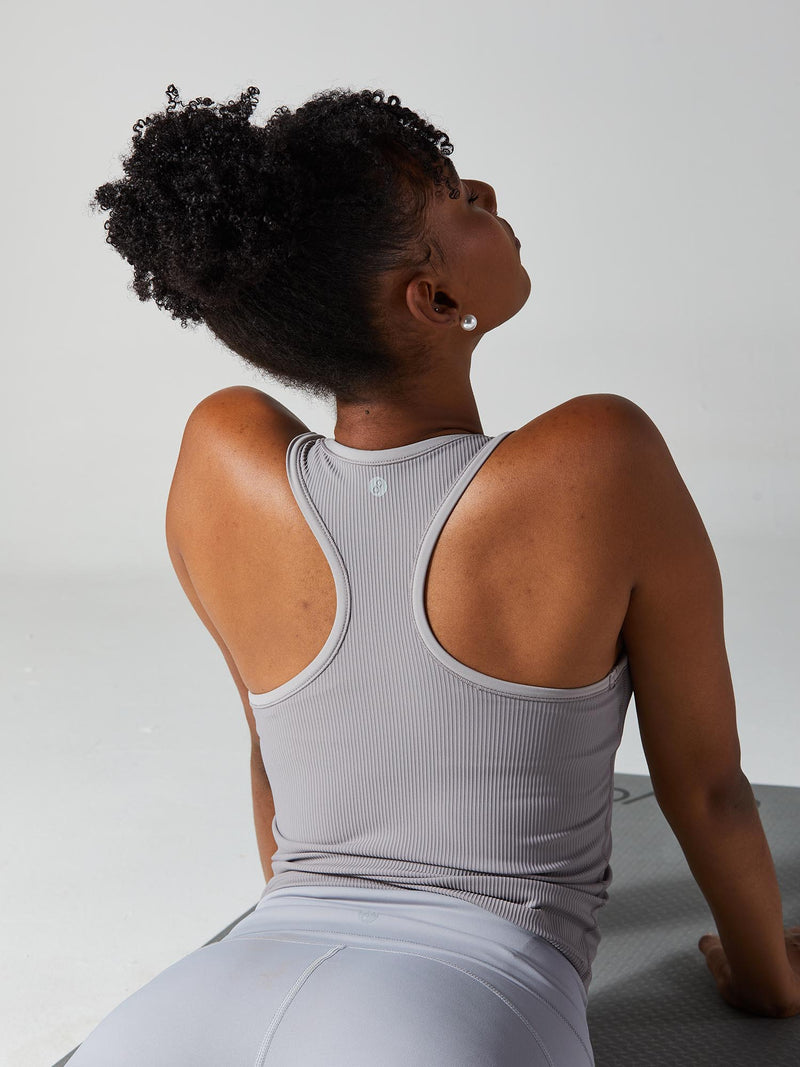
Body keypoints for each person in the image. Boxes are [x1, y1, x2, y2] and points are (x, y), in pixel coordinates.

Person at [75, 83, 800, 1065]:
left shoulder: (217, 456)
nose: (487, 196)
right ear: (437, 300)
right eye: (458, 198)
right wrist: (767, 980)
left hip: (199, 998)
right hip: (455, 1012)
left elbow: (277, 762)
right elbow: (707, 788)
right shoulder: (602, 456)